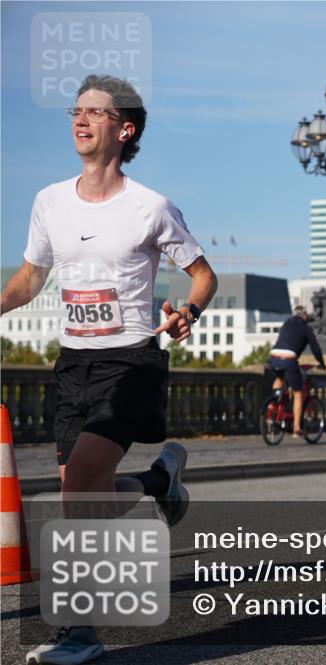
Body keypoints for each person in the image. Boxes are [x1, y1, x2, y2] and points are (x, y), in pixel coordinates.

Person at [0, 75, 217, 665]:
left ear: (125, 129)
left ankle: (80, 631)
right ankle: (156, 483)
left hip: (130, 358)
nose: (80, 119)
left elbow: (203, 275)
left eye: (95, 112)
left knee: (78, 486)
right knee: (81, 499)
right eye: (77, 109)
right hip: (72, 362)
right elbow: (30, 278)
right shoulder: (49, 200)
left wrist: (187, 312)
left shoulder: (150, 207)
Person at [268, 305, 326, 435]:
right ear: (305, 316)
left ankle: (273, 405)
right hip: (289, 358)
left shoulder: (286, 324)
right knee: (298, 393)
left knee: (279, 378)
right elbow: (315, 349)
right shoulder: (306, 328)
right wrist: (322, 363)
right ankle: (296, 427)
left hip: (273, 356)